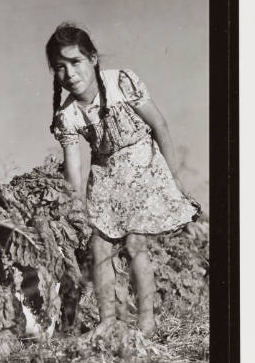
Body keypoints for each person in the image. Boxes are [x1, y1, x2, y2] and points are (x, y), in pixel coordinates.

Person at [46, 23, 200, 338]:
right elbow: (74, 170)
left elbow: (160, 124)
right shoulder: (68, 116)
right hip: (105, 176)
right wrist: (77, 211)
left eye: (75, 62)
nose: (70, 74)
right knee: (98, 246)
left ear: (92, 58)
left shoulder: (121, 83)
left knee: (134, 242)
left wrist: (174, 181)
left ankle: (147, 322)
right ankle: (107, 322)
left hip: (143, 165)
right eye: (60, 68)